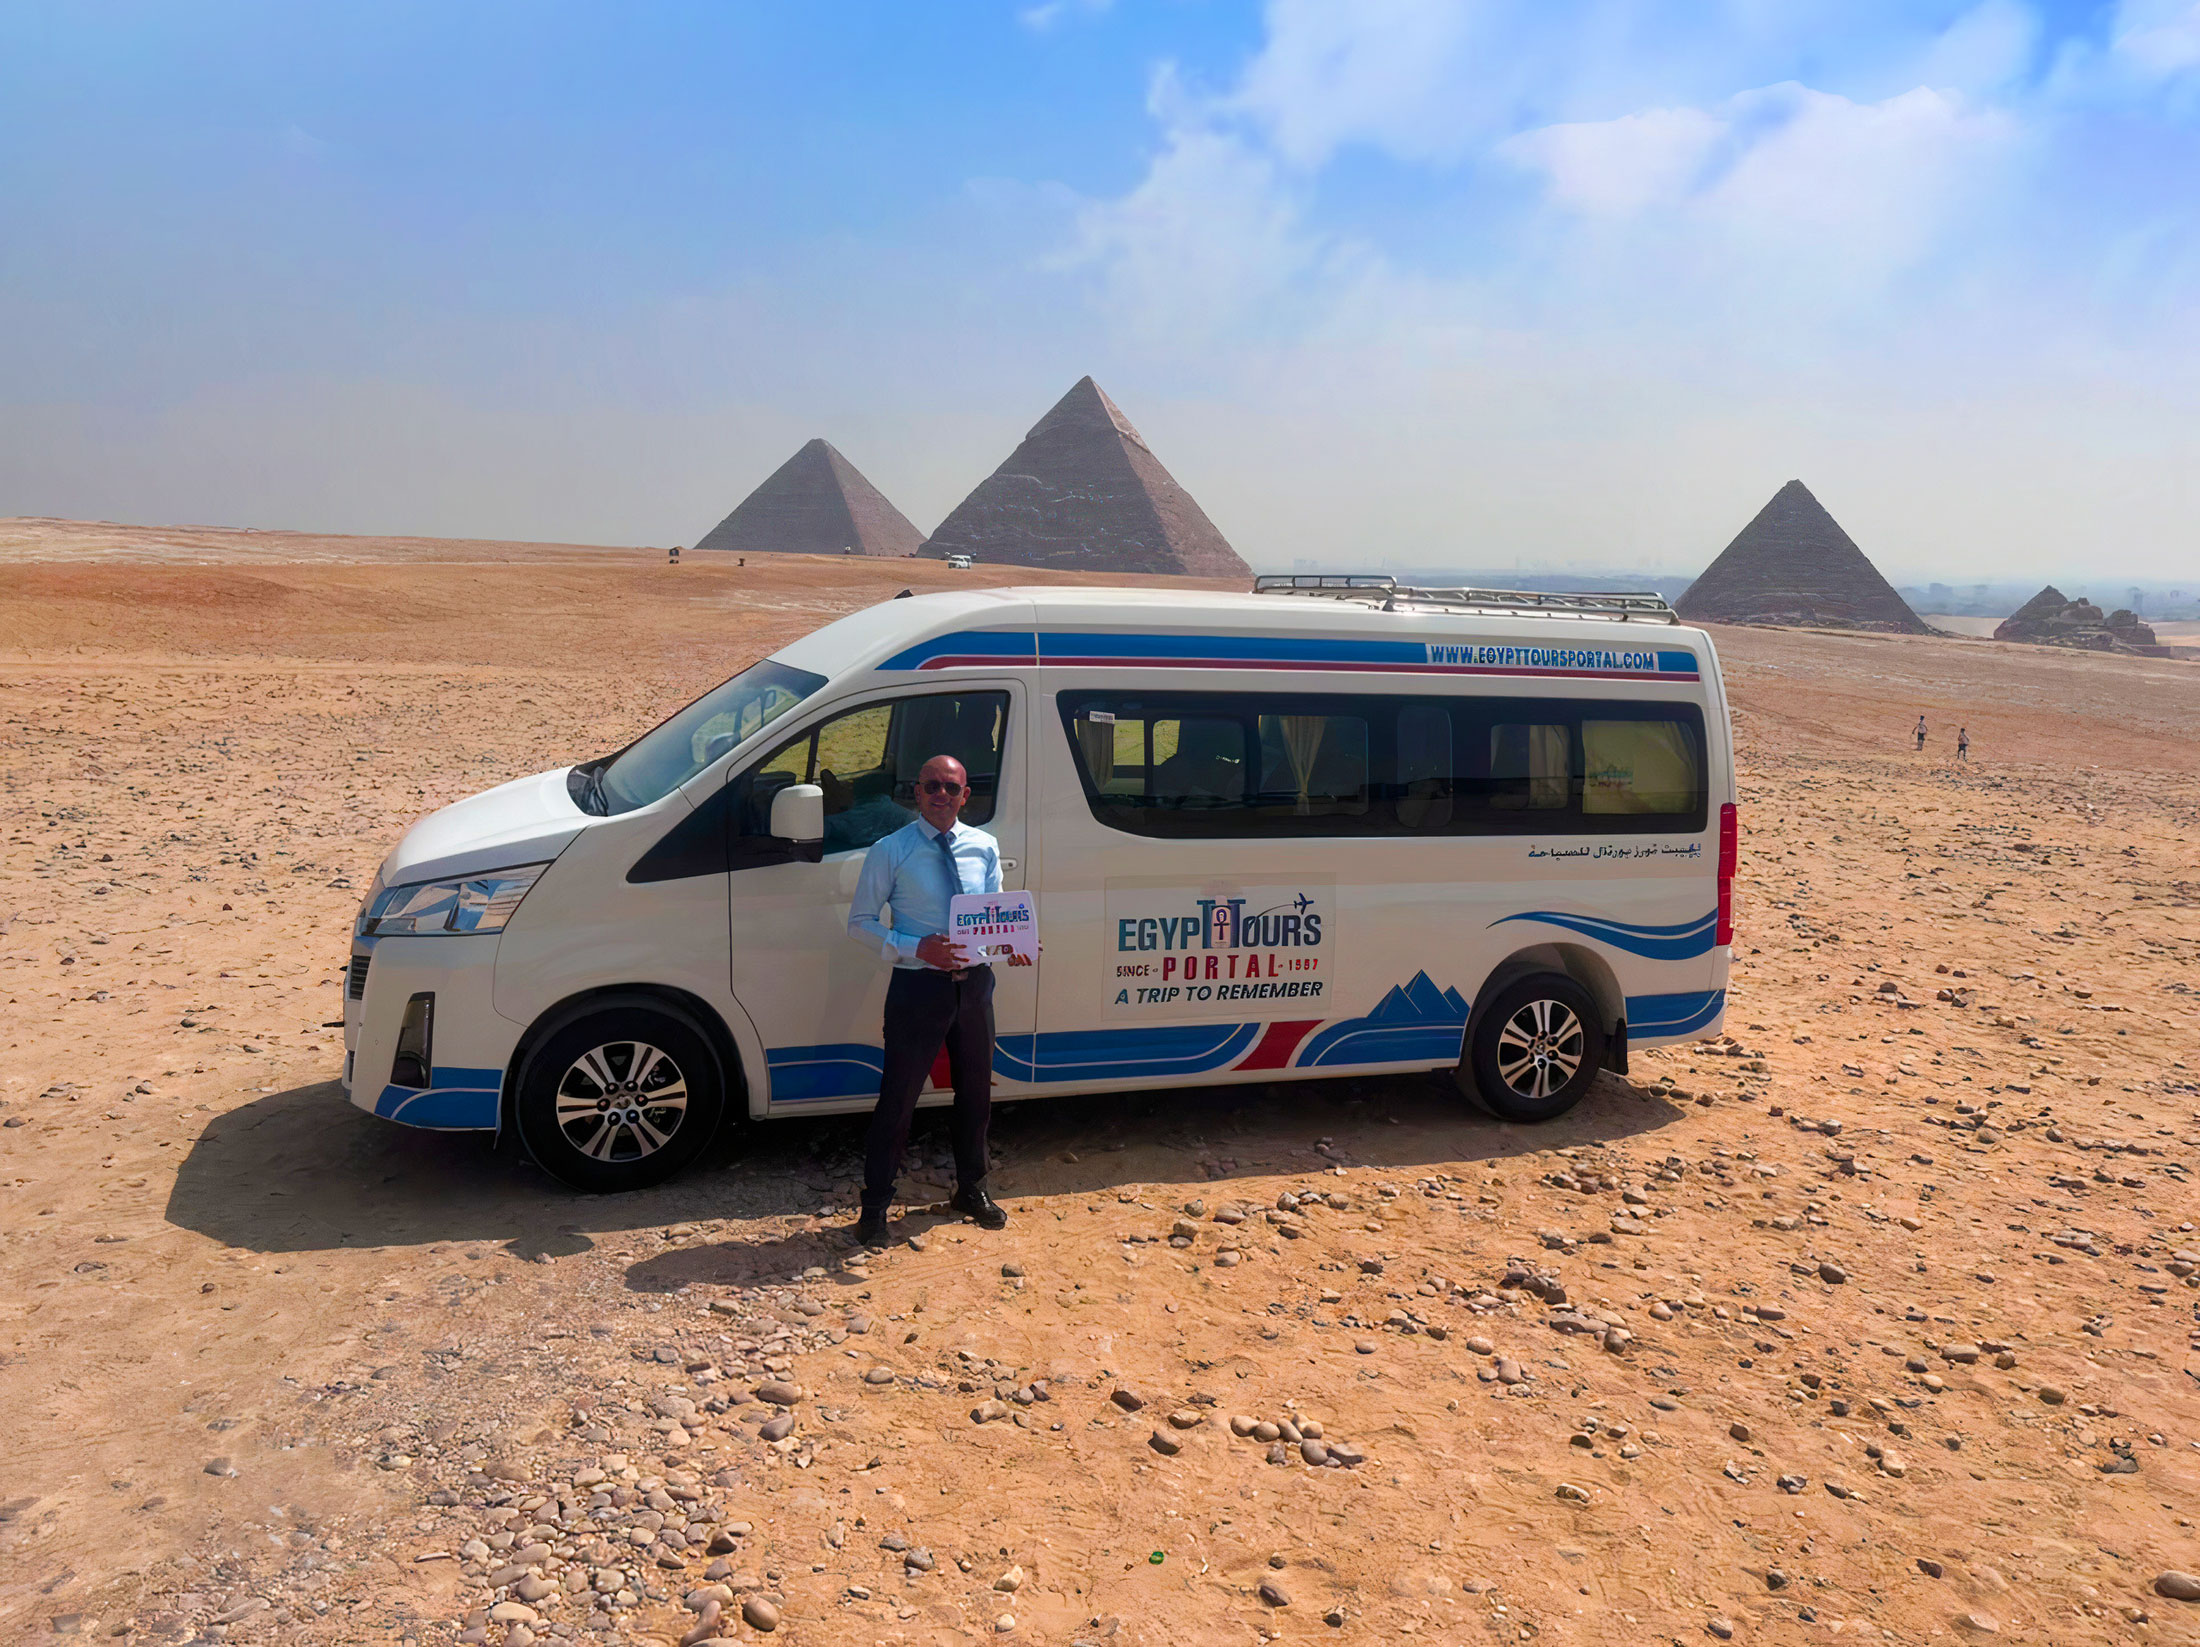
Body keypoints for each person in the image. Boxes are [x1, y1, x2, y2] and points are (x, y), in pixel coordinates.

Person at [845, 753, 1008, 1244]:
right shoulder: (889, 850)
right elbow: (859, 923)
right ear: (917, 793)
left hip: (974, 989)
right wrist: (916, 948)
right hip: (918, 989)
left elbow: (994, 916)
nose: (942, 795)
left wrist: (1013, 946)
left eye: (951, 788)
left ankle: (972, 1188)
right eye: (932, 786)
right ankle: (874, 1207)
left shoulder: (985, 846)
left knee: (976, 1096)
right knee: (898, 1101)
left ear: (965, 796)